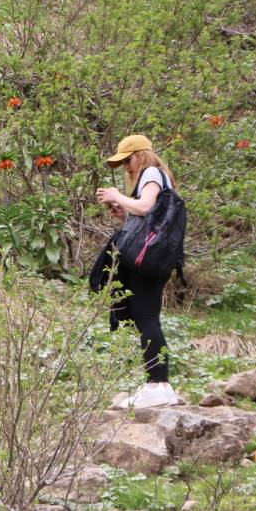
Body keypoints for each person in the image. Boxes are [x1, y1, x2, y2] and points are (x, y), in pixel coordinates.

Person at [95, 135, 181, 409]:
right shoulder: (157, 176)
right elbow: (147, 214)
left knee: (146, 318)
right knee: (147, 317)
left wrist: (117, 196)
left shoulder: (152, 172)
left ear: (140, 155)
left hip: (146, 261)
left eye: (127, 160)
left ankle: (157, 384)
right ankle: (160, 384)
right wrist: (124, 213)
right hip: (156, 258)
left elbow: (145, 207)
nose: (126, 168)